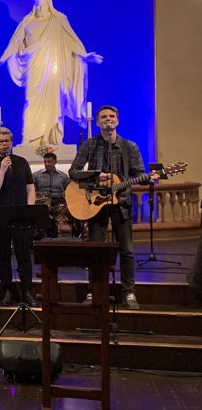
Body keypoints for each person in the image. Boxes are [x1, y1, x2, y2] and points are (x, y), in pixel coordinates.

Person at [0, 0, 103, 146]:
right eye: (36, 5)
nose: (39, 9)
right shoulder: (27, 22)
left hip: (54, 69)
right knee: (31, 101)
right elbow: (15, 43)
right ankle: (29, 139)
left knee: (55, 104)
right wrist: (2, 59)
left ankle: (54, 139)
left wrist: (85, 55)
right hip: (34, 68)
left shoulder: (58, 21)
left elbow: (71, 41)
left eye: (42, 5)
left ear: (49, 5)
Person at [69, 105, 157, 309]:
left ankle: (129, 292)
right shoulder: (90, 145)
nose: (108, 119)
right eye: (103, 117)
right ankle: (95, 290)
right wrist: (95, 177)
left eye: (111, 116)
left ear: (117, 120)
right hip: (96, 204)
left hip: (122, 203)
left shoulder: (129, 147)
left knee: (127, 250)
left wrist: (148, 178)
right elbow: (74, 172)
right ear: (98, 122)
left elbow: (139, 174)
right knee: (96, 250)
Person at [0, 127, 37, 307]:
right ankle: (8, 290)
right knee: (3, 255)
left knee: (24, 255)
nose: (4, 144)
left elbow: (30, 188)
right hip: (0, 215)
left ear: (12, 143)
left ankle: (26, 290)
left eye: (7, 141)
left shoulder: (21, 162)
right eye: (1, 141)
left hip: (21, 214)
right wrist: (2, 170)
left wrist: (30, 209)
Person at [33, 151, 79, 238]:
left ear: (55, 162)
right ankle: (43, 233)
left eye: (49, 161)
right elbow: (31, 189)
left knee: (72, 210)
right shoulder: (36, 175)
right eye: (45, 162)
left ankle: (74, 233)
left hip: (58, 202)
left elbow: (70, 189)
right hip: (42, 202)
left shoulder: (63, 176)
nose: (46, 164)